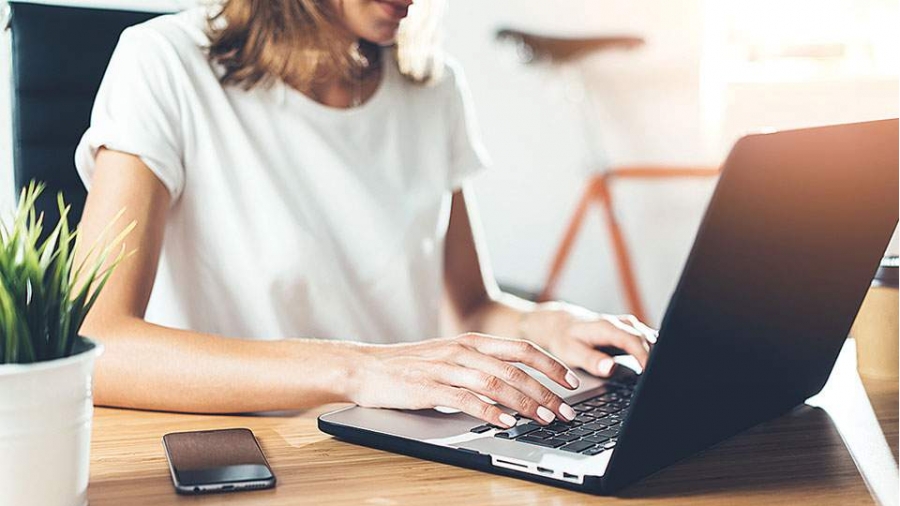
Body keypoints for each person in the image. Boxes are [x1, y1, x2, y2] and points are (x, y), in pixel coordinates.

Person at [74, 0, 655, 429]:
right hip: (253, 448)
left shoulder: (434, 87)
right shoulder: (164, 63)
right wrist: (357, 370)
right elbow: (94, 344)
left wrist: (545, 325)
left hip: (398, 448)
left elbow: (471, 307)